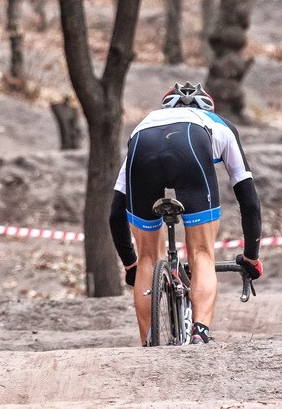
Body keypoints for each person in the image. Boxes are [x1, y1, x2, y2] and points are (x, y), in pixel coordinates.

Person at [109, 82, 263, 346]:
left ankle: (147, 341)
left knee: (147, 257)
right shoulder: (220, 125)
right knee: (202, 251)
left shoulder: (143, 126)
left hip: (144, 151)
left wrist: (130, 264)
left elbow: (115, 211)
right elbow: (248, 200)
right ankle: (199, 332)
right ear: (208, 107)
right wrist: (251, 257)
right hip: (192, 144)